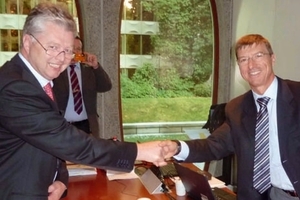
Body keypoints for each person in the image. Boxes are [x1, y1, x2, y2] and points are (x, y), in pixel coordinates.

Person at [0, 3, 170, 200]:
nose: (62, 58)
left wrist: (61, 178)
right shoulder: (15, 88)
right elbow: (69, 143)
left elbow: (50, 142)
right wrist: (140, 151)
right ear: (28, 42)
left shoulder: (38, 80)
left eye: (68, 50)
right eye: (53, 47)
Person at [164, 34, 300, 200]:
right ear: (239, 67)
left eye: (258, 55)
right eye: (244, 59)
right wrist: (177, 147)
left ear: (273, 58)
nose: (251, 65)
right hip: (271, 195)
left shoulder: (297, 95)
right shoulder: (237, 108)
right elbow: (214, 146)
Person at [53, 36, 112, 137]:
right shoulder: (56, 70)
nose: (75, 52)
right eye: (72, 48)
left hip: (86, 126)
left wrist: (96, 66)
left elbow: (106, 86)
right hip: (62, 125)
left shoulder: (88, 70)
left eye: (78, 49)